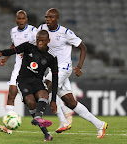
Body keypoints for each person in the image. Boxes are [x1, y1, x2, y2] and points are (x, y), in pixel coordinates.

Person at [0, 9, 71, 134]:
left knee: (42, 94)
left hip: (35, 68)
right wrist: (6, 57)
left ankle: (62, 116)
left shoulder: (33, 31)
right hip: (20, 67)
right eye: (18, 18)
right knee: (12, 94)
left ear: (26, 19)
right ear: (16, 20)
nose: (21, 21)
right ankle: (9, 125)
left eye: (23, 18)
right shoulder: (13, 31)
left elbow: (41, 42)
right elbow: (14, 45)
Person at [38, 8, 108, 138]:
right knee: (71, 102)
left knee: (45, 87)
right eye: (46, 17)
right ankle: (100, 125)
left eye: (51, 17)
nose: (48, 19)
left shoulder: (66, 33)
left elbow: (83, 48)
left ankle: (62, 120)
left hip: (63, 68)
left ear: (57, 19)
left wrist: (79, 66)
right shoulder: (42, 28)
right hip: (52, 69)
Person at [0, 30, 58, 141]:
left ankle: (37, 118)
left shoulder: (51, 56)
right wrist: (0, 52)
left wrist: (54, 100)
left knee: (44, 94)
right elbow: (12, 51)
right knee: (31, 103)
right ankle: (46, 133)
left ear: (48, 41)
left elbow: (55, 79)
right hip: (23, 80)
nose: (40, 43)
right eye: (38, 40)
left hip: (37, 81)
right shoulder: (28, 46)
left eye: (43, 41)